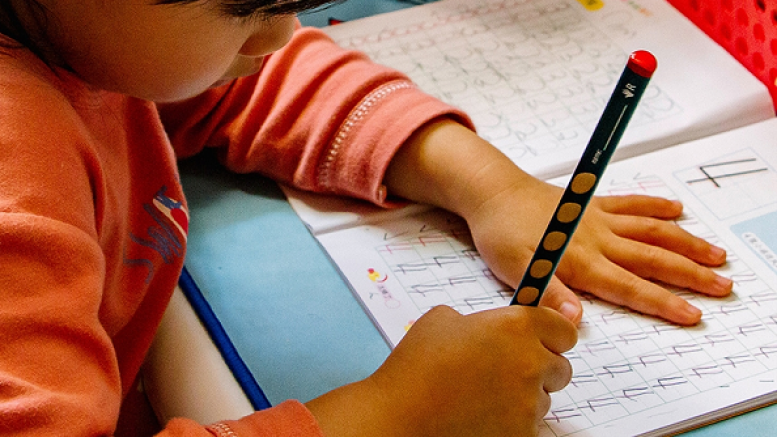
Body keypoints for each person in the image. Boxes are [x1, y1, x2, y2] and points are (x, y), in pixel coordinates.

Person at [0, 0, 734, 436]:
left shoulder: (95, 36)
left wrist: (489, 187)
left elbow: (250, 80)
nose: (280, 33)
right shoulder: (18, 166)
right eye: (245, 6)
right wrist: (392, 416)